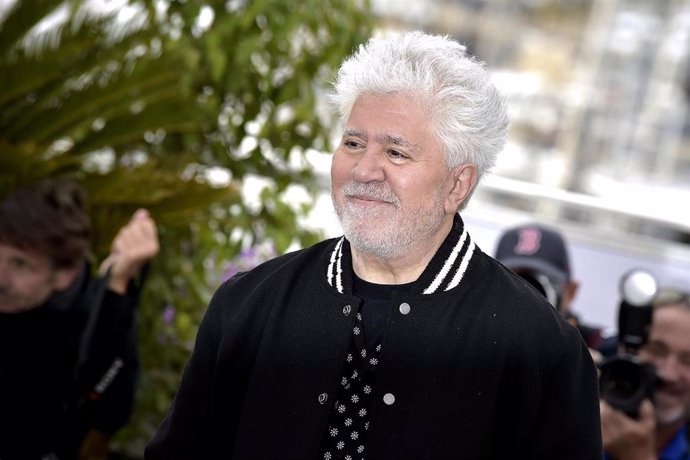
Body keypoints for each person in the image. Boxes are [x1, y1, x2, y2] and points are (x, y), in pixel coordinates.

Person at [146, 30, 602, 459]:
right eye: (352, 143)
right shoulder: (247, 305)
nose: (364, 170)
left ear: (457, 184)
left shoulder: (541, 350)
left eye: (396, 152)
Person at [0, 179, 159, 460]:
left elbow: (109, 411)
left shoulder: (96, 311)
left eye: (21, 264)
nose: (1, 278)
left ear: (65, 274)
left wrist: (118, 287)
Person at [600, 287, 690, 460]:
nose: (668, 374)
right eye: (657, 350)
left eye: (688, 360)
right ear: (625, 349)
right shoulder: (579, 422)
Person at [494, 223, 603, 350]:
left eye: (537, 288)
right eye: (510, 281)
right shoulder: (473, 335)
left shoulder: (596, 345)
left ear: (571, 291)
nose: (524, 298)